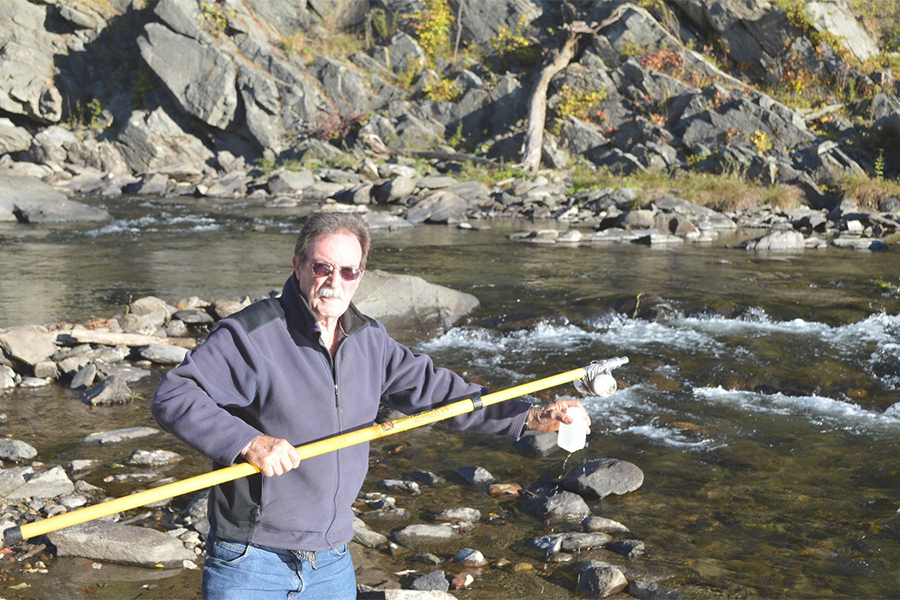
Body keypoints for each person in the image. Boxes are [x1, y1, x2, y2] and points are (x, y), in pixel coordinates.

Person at [151, 211, 590, 599]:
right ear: (299, 265)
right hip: (252, 559)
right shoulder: (251, 335)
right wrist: (248, 441)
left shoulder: (369, 339)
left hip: (333, 560)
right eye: (323, 267)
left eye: (349, 271)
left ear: (361, 274)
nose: (334, 281)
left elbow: (441, 395)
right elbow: (174, 394)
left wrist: (530, 415)